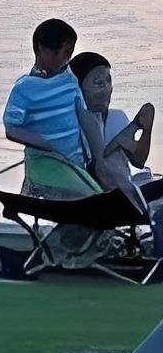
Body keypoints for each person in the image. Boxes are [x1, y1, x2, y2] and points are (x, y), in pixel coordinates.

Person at [2, 18, 93, 199]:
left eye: (69, 52)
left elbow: (84, 115)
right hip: (48, 162)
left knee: (91, 192)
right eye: (59, 52)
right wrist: (44, 144)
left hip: (75, 163)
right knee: (88, 197)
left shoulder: (70, 80)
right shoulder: (24, 88)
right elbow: (11, 128)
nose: (65, 58)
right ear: (41, 49)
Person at [71, 51, 159, 235]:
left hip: (125, 188)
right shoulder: (72, 125)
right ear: (78, 88)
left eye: (108, 81)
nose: (106, 89)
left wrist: (146, 130)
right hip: (100, 196)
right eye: (98, 83)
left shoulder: (117, 117)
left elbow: (138, 161)